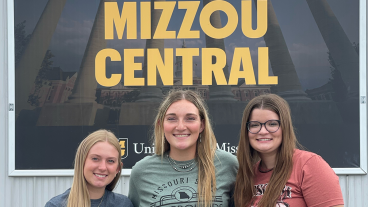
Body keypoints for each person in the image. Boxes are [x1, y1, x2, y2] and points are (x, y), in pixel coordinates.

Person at [128, 90, 238, 207]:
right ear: (161, 125)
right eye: (171, 118)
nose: (180, 127)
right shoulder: (141, 171)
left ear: (202, 125)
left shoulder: (228, 165)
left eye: (190, 118)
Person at [234, 94, 344, 207]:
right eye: (254, 125)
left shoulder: (309, 165)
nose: (262, 131)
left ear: (285, 127)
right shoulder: (248, 175)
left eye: (272, 124)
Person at [45, 129, 134, 207]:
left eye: (110, 161)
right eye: (95, 158)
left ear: (117, 169)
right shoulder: (56, 205)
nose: (103, 167)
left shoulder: (124, 204)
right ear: (81, 162)